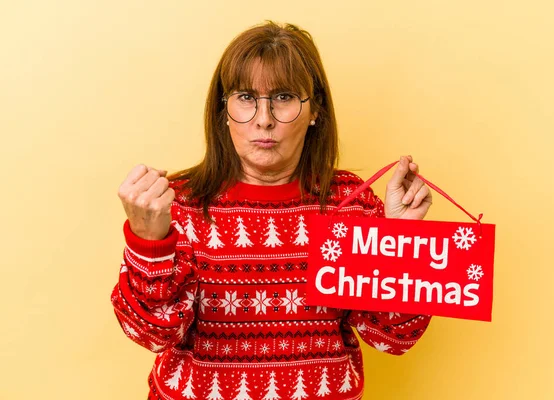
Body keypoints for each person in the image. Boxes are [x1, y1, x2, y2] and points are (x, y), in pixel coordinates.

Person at [111, 21, 433, 400]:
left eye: (283, 97)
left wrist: (400, 241)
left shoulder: (352, 204)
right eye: (246, 97)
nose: (264, 119)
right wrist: (150, 244)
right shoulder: (177, 204)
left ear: (315, 112)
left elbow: (392, 338)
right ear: (224, 111)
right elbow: (150, 334)